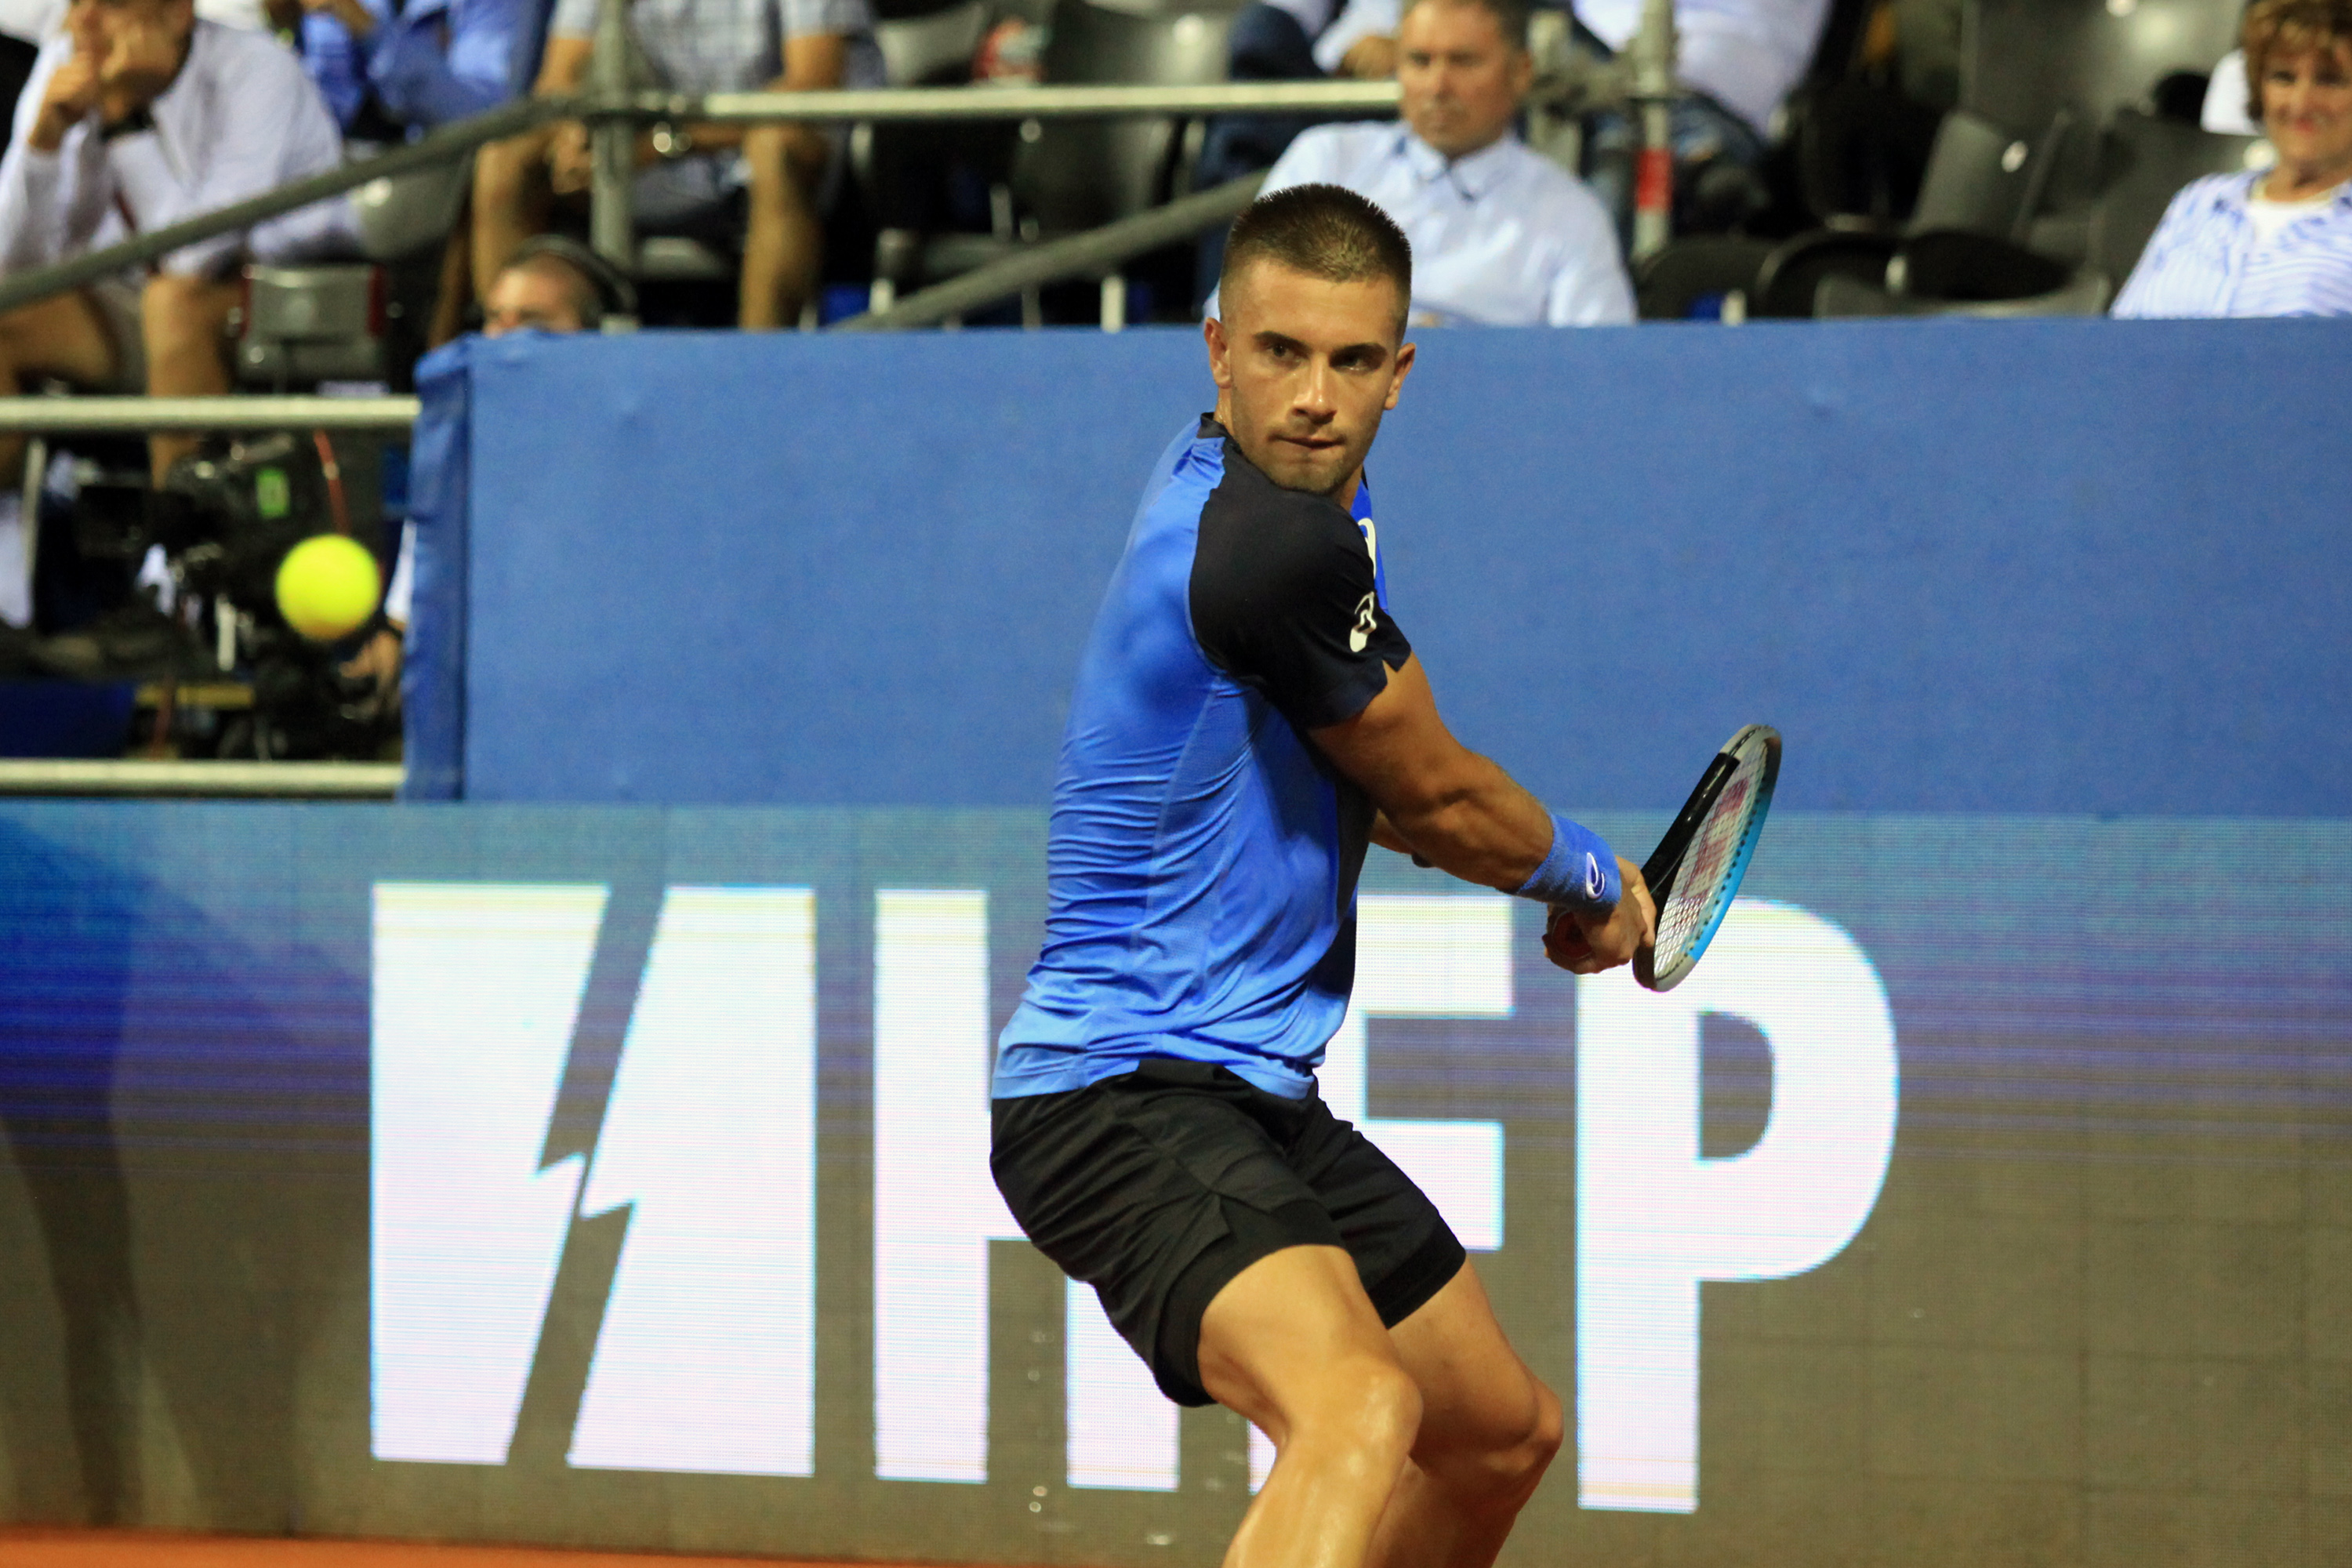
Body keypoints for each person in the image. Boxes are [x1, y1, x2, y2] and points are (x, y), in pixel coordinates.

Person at [992, 183, 1655, 1568]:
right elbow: (1435, 792)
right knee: (1357, 1405)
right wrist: (1596, 880)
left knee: (1495, 1434)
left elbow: (1385, 797)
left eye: (1353, 360)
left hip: (1249, 1101)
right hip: (1116, 1095)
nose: (1313, 395)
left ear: (1400, 374)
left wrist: (1544, 876)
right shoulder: (1268, 545)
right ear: (1216, 347)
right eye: (1280, 353)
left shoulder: (1277, 508)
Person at [0, 0, 348, 491]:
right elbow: (16, 267)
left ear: (177, 15)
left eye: (113, 5)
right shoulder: (68, 58)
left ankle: (183, 537)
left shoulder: (257, 69)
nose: (86, 20)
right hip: (136, 303)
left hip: (281, 301)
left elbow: (193, 255)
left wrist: (123, 121)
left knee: (172, 303)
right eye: (77, 2)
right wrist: (44, 144)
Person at [1207, 0, 1633, 327]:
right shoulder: (1325, 160)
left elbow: (1598, 373)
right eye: (1419, 61)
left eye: (1463, 61)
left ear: (1521, 72)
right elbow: (1234, 313)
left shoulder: (1570, 213)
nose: (1438, 85)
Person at [471, 0, 881, 331]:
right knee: (506, 157)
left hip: (771, 163)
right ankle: (502, 361)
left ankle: (755, 378)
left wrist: (664, 141)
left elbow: (812, 82)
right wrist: (571, 134)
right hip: (649, 163)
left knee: (779, 145)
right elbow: (559, 81)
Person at [355, 234, 625, 704]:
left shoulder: (627, 447)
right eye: (495, 319)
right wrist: (394, 638)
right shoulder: (457, 441)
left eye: (532, 321)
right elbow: (426, 556)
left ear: (591, 335)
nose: (502, 338)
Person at [2114, 0, 2352, 318]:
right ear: (2259, 89)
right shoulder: (2199, 201)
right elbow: (2119, 336)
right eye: (2283, 77)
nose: (2301, 102)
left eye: (2330, 80)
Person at [278, 0, 544, 138]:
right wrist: (285, 26)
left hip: (444, 187)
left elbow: (483, 115)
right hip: (352, 177)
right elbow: (331, 105)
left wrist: (366, 29)